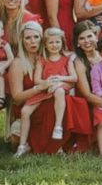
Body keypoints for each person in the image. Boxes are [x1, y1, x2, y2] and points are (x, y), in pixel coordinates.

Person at [17, 26, 76, 154]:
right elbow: (37, 80)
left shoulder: (67, 60)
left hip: (60, 86)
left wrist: (59, 78)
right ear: (45, 44)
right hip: (45, 89)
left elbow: (74, 78)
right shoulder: (41, 60)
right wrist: (47, 83)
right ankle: (22, 146)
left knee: (59, 91)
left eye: (57, 42)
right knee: (25, 111)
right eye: (51, 42)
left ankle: (58, 126)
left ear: (62, 42)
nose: (54, 45)